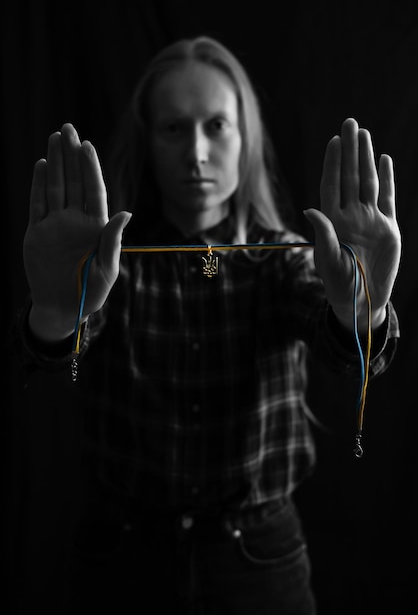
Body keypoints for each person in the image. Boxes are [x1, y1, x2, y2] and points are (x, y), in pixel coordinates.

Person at [15, 36, 401, 614]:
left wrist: (362, 308)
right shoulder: (111, 262)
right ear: (148, 140)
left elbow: (342, 343)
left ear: (245, 139)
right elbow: (49, 364)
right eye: (174, 128)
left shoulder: (287, 260)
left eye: (216, 125)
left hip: (259, 562)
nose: (196, 152)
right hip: (122, 560)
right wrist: (54, 311)